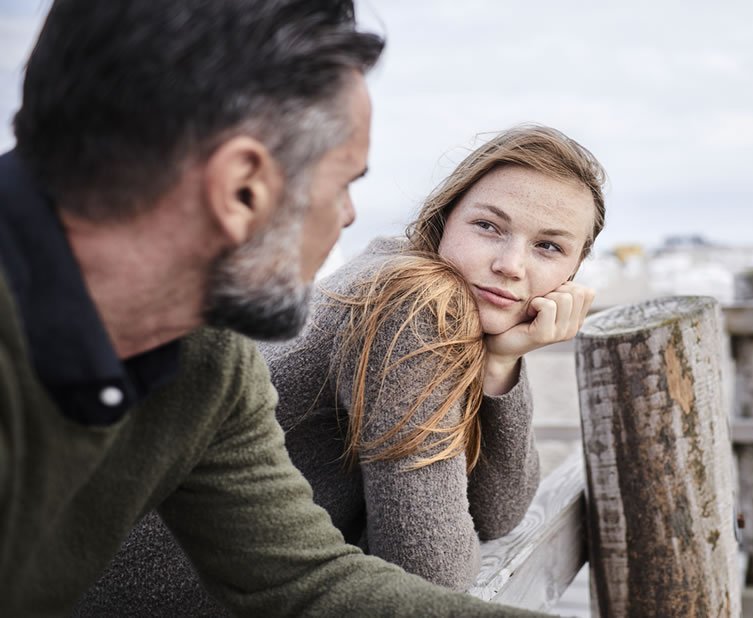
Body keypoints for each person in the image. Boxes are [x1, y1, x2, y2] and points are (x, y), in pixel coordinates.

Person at [0, 1, 547, 615]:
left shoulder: (207, 358)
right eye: (344, 182)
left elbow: (302, 580)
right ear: (241, 188)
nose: (348, 216)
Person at [75, 125, 607, 612]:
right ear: (444, 220)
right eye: (489, 226)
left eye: (548, 246)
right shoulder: (414, 303)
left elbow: (499, 514)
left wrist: (502, 363)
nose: (511, 265)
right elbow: (432, 573)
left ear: (573, 271)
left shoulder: (431, 293)